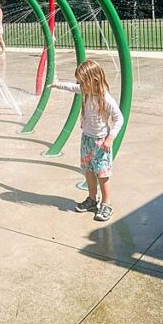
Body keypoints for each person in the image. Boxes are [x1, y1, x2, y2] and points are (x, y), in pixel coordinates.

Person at [50, 60, 123, 222]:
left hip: (101, 141)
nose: (80, 85)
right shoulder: (86, 91)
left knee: (103, 174)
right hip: (87, 139)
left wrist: (110, 139)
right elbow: (72, 88)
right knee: (88, 170)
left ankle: (106, 203)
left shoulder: (105, 98)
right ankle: (92, 199)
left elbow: (119, 118)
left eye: (83, 82)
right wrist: (57, 85)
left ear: (94, 80)